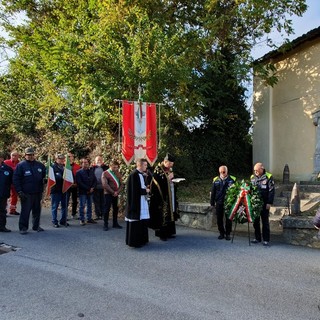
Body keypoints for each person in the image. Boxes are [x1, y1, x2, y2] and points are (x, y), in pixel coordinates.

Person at [13, 147, 46, 234]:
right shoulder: (20, 165)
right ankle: (23, 228)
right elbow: (16, 179)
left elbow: (44, 176)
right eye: (28, 155)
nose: (30, 156)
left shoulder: (40, 165)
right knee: (25, 211)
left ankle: (36, 226)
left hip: (37, 192)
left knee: (37, 211)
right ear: (25, 155)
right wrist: (19, 191)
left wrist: (45, 180)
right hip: (26, 193)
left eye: (32, 154)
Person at [149, 153, 179, 241]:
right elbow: (156, 185)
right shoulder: (158, 170)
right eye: (169, 164)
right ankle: (162, 234)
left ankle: (170, 232)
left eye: (171, 165)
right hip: (162, 198)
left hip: (171, 194)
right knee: (163, 214)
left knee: (171, 213)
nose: (170, 166)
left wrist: (174, 180)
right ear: (165, 161)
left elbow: (171, 179)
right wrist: (167, 179)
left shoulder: (169, 169)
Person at [125, 158, 150, 248]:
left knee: (142, 221)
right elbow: (134, 190)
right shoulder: (134, 175)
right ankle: (135, 242)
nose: (146, 167)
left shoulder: (141, 174)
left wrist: (146, 188)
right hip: (136, 202)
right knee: (136, 222)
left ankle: (142, 239)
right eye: (145, 165)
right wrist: (145, 190)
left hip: (141, 200)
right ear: (139, 165)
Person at [250, 162, 275, 246]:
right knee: (255, 222)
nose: (255, 172)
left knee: (265, 222)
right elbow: (250, 189)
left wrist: (269, 202)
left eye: (257, 170)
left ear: (262, 169)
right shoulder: (252, 177)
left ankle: (266, 239)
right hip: (255, 204)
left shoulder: (268, 176)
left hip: (265, 203)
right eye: (254, 170)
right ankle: (257, 238)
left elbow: (271, 191)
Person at [210, 165, 236, 240]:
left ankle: (228, 234)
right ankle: (221, 233)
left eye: (224, 172)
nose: (222, 173)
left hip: (228, 202)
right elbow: (213, 192)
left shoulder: (232, 179)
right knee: (219, 219)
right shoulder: (216, 180)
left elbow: (235, 191)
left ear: (227, 171)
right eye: (221, 172)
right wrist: (212, 203)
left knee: (229, 219)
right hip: (219, 202)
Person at [101, 160, 124, 231]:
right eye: (114, 167)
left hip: (116, 194)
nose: (116, 169)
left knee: (116, 209)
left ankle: (115, 223)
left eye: (117, 167)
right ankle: (105, 224)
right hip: (108, 194)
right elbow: (105, 185)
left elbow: (122, 184)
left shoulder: (118, 173)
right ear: (110, 166)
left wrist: (117, 192)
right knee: (107, 209)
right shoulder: (105, 173)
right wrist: (113, 192)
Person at [76, 158, 97, 225]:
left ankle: (89, 218)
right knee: (82, 206)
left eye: (87, 162)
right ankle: (82, 219)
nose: (86, 163)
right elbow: (79, 182)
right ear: (81, 164)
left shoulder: (91, 171)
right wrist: (88, 189)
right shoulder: (78, 172)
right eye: (84, 162)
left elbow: (95, 180)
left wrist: (93, 187)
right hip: (83, 192)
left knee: (90, 205)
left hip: (91, 192)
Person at [50, 153, 69, 228]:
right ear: (56, 159)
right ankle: (54, 221)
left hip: (64, 190)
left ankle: (63, 220)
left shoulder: (66, 167)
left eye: (63, 159)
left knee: (64, 206)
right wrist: (62, 177)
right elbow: (53, 178)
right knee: (55, 206)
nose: (62, 160)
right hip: (55, 190)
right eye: (60, 159)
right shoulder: (53, 168)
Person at [0, 152, 13, 232]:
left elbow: (13, 181)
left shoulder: (8, 169)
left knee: (2, 211)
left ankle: (2, 226)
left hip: (3, 194)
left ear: (2, 159)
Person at [4, 150, 20, 215]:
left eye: (15, 155)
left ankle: (12, 210)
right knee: (4, 196)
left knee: (14, 196)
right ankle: (3, 210)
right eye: (12, 155)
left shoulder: (20, 163)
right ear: (10, 156)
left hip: (15, 182)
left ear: (18, 156)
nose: (13, 157)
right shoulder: (6, 162)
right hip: (6, 182)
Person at [92, 155, 108, 220]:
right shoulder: (92, 168)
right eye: (97, 160)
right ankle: (97, 215)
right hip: (95, 187)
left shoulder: (106, 168)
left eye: (100, 160)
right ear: (95, 161)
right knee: (96, 201)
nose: (99, 161)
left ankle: (103, 214)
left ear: (102, 161)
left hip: (104, 187)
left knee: (103, 201)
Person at [66, 152, 81, 219]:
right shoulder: (64, 166)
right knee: (66, 200)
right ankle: (65, 215)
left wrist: (76, 184)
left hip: (75, 185)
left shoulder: (77, 166)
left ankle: (74, 214)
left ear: (73, 157)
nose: (70, 158)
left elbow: (80, 176)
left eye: (71, 156)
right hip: (66, 186)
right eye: (68, 156)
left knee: (74, 200)